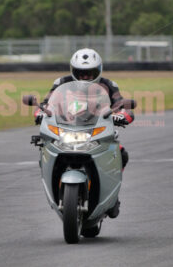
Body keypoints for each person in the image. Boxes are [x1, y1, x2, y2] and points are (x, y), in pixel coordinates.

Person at [34, 48, 135, 218]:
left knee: (122, 154)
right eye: (81, 73)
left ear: (99, 71)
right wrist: (40, 112)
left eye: (90, 73)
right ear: (73, 71)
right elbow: (46, 103)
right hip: (66, 128)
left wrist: (122, 115)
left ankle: (113, 195)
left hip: (97, 130)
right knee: (44, 149)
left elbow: (121, 104)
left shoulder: (109, 85)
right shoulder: (61, 83)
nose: (85, 77)